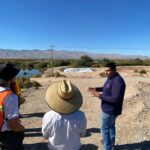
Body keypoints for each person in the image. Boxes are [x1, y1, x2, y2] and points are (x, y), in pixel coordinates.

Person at [88, 62, 126, 150]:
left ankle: (107, 147)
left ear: (114, 70)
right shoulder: (110, 78)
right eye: (105, 70)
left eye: (108, 70)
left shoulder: (118, 81)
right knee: (111, 126)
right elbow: (106, 87)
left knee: (104, 129)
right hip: (108, 110)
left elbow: (115, 99)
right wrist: (96, 88)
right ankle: (111, 143)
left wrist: (99, 95)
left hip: (110, 110)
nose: (106, 72)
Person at [42, 80, 87, 150]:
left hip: (54, 148)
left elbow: (45, 135)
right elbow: (82, 134)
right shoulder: (81, 115)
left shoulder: (48, 116)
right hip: (74, 147)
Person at [0, 63, 25, 150]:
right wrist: (22, 128)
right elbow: (13, 125)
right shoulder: (10, 96)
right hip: (9, 136)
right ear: (11, 79)